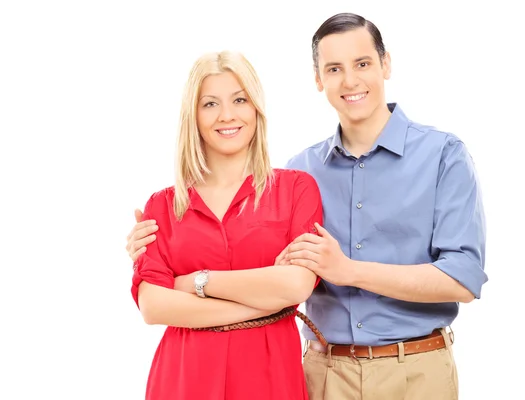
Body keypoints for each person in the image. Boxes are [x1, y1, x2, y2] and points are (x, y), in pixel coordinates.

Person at [126, 13, 487, 400]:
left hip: (415, 368)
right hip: (324, 372)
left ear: (385, 63)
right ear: (318, 79)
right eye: (334, 68)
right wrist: (154, 249)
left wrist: (347, 271)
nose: (350, 80)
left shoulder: (442, 155)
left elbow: (463, 277)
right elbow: (158, 300)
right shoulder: (301, 170)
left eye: (362, 63)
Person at [129, 50, 323, 400]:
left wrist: (196, 282)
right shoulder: (162, 205)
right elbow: (154, 306)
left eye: (239, 99)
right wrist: (264, 303)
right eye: (210, 104)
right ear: (194, 115)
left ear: (256, 109)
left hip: (269, 379)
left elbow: (296, 285)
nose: (227, 115)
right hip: (184, 381)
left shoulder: (296, 189)